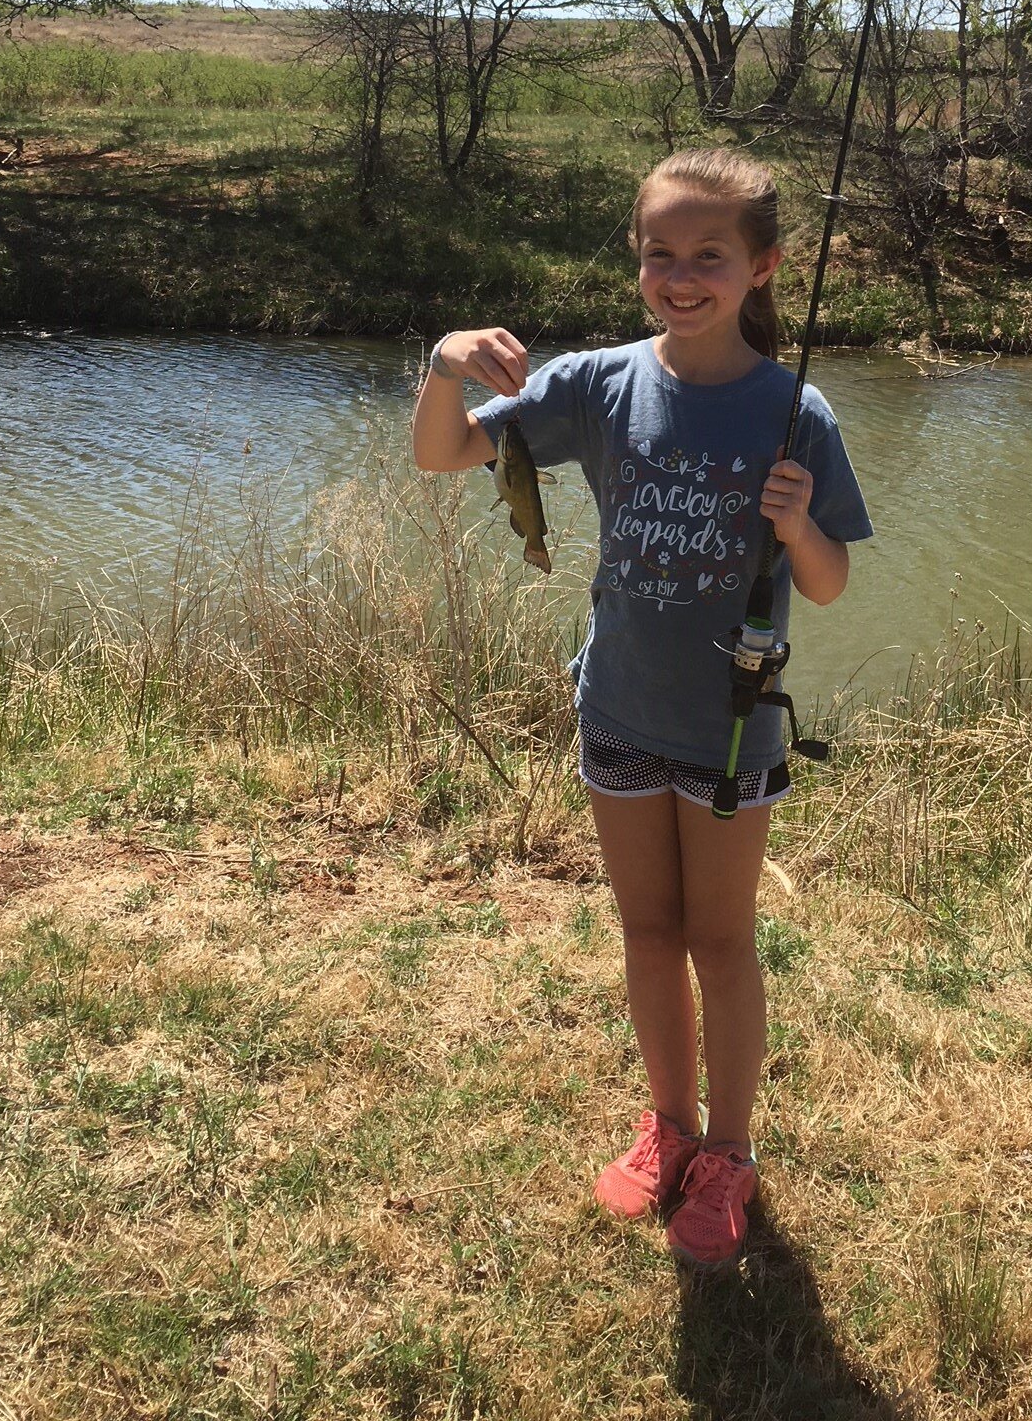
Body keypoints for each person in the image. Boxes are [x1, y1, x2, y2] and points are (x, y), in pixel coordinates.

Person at [412, 147, 872, 1267]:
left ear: (760, 268)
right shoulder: (596, 384)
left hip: (729, 732)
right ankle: (665, 1128)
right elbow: (446, 454)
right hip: (616, 710)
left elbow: (828, 583)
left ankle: (730, 1152)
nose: (680, 274)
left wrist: (799, 522)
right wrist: (443, 365)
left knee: (722, 941)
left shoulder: (793, 409)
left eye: (708, 255)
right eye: (659, 252)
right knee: (647, 935)